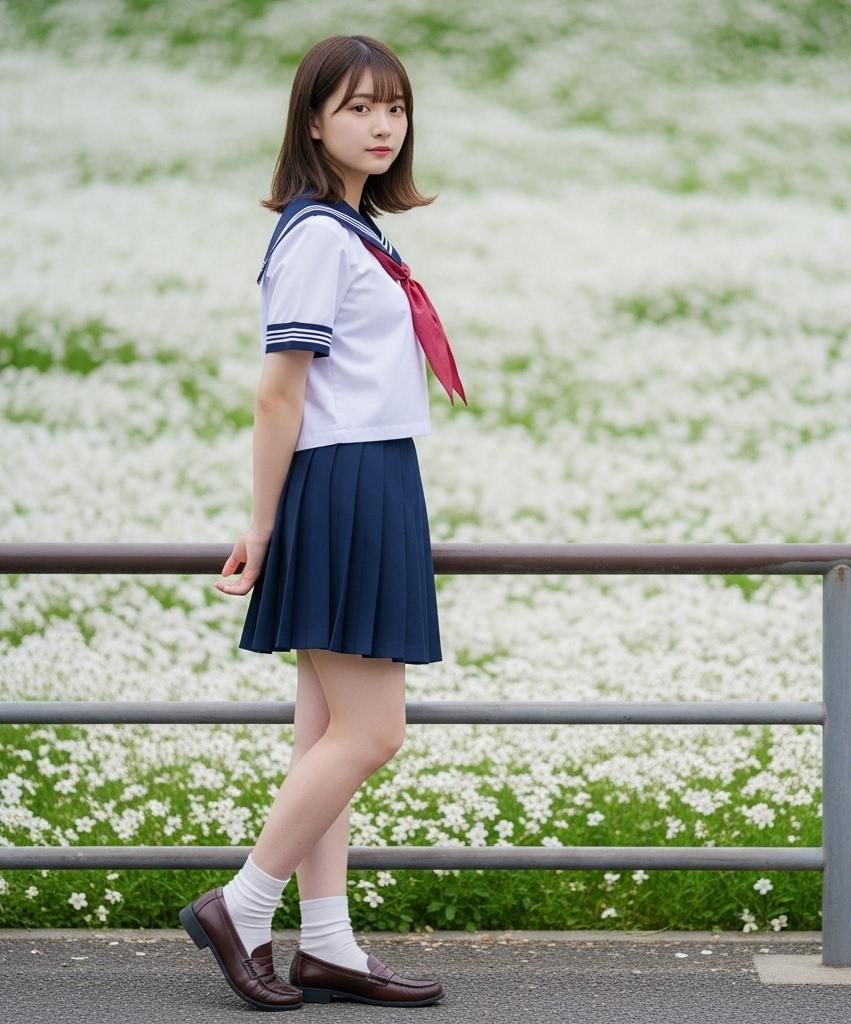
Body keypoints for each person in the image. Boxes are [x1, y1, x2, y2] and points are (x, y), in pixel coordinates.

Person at [177, 33, 466, 1011]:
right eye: (357, 107)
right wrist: (263, 525)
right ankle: (243, 906)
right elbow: (276, 394)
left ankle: (329, 942)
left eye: (394, 107)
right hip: (342, 484)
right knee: (373, 732)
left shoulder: (353, 230)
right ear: (312, 120)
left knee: (326, 735)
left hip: (371, 475)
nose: (382, 124)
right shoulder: (313, 236)